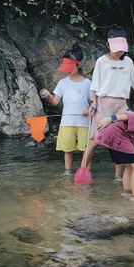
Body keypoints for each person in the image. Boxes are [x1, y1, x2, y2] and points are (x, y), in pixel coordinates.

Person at [81, 27, 134, 180]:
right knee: (94, 141)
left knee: (120, 139)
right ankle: (83, 172)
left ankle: (118, 175)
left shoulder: (128, 62)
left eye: (121, 49)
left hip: (121, 104)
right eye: (116, 49)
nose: (119, 52)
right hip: (103, 103)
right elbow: (95, 86)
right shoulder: (102, 62)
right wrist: (93, 104)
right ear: (108, 45)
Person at [39, 44, 92, 176]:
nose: (67, 71)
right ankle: (68, 173)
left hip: (84, 122)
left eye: (70, 67)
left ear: (79, 65)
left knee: (86, 149)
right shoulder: (63, 83)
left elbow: (94, 103)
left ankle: (84, 172)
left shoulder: (87, 83)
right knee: (68, 149)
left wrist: (89, 109)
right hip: (67, 121)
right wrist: (49, 96)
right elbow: (56, 101)